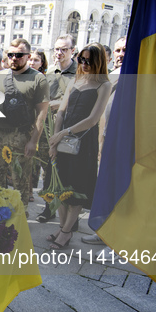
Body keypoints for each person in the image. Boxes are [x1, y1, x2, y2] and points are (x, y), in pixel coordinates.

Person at [47, 43, 112, 250]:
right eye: (81, 59)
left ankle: (66, 232)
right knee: (59, 186)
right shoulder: (76, 79)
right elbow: (62, 112)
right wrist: (56, 137)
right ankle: (63, 227)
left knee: (76, 189)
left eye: (88, 60)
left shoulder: (104, 85)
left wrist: (63, 133)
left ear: (99, 61)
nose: (84, 64)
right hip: (62, 140)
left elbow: (93, 119)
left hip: (83, 143)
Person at [0, 38, 49, 213]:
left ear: (28, 56)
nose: (14, 58)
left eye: (19, 55)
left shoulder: (38, 79)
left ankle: (20, 217)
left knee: (20, 181)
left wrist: (33, 141)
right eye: (11, 54)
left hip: (22, 136)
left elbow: (41, 114)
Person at [82, 36, 126, 246]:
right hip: (106, 140)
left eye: (126, 50)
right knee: (106, 188)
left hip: (128, 143)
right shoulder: (110, 78)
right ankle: (105, 232)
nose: (120, 54)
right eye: (117, 50)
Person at [37, 34, 79, 223]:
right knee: (48, 169)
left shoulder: (79, 71)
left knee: (66, 172)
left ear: (73, 51)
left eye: (64, 49)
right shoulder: (51, 70)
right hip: (48, 127)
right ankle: (49, 208)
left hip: (67, 128)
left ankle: (72, 216)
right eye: (57, 49)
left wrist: (54, 103)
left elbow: (78, 99)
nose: (59, 53)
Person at [27, 48, 48, 201]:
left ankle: (38, 193)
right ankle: (28, 191)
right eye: (30, 59)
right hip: (26, 124)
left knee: (39, 162)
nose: (32, 62)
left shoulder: (42, 79)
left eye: (36, 60)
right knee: (28, 161)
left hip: (41, 126)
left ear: (42, 63)